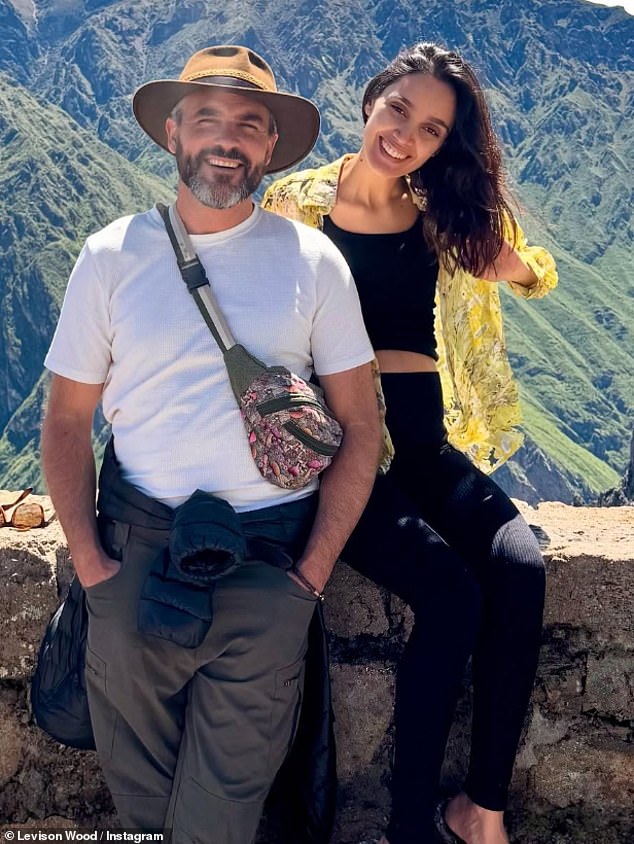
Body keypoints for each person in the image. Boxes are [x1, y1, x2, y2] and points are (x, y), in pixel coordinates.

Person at [41, 44, 381, 844]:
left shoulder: (315, 263)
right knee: (143, 813)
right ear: (172, 132)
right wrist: (93, 569)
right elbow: (65, 422)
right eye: (207, 119)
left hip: (268, 569)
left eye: (248, 125)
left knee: (218, 819)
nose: (225, 140)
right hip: (133, 561)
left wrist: (307, 582)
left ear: (269, 147)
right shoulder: (111, 257)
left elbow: (362, 428)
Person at [263, 41, 558, 844]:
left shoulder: (441, 219)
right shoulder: (295, 206)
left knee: (520, 569)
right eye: (400, 111)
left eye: (431, 131)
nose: (407, 136)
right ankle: (408, 827)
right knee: (454, 597)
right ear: (371, 101)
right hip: (351, 460)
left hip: (430, 449)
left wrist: (514, 271)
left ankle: (480, 808)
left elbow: (536, 273)